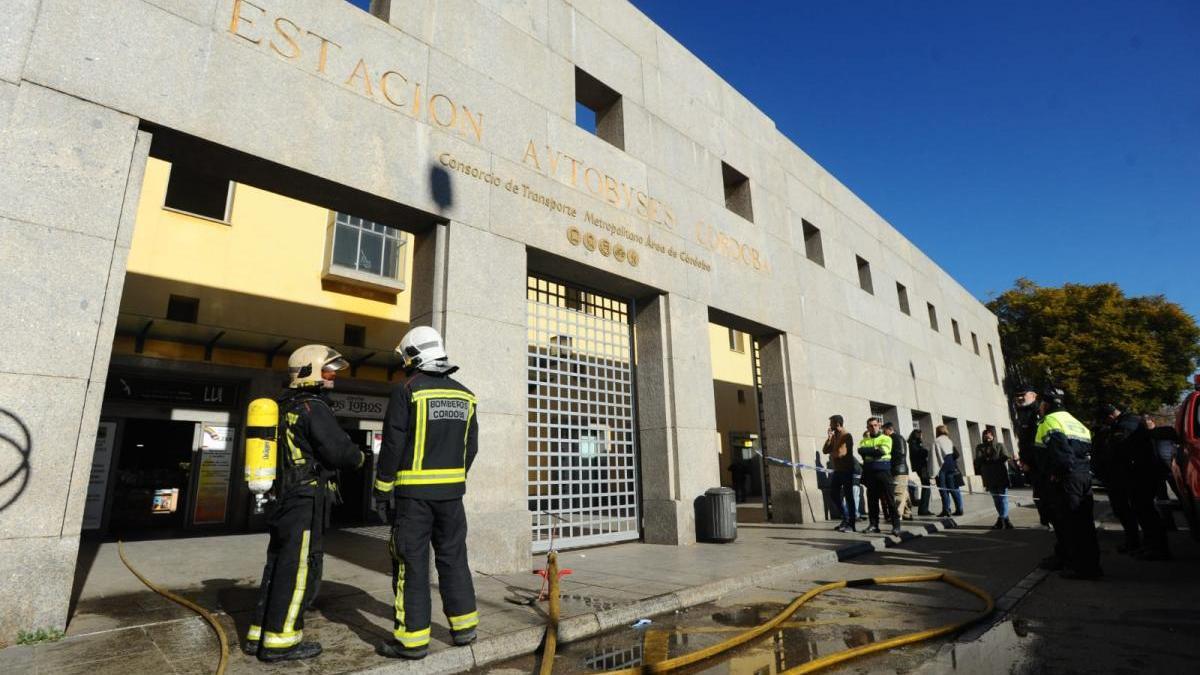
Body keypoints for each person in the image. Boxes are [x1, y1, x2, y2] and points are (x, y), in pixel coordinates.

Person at [246, 345, 366, 662]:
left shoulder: (284, 406)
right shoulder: (314, 408)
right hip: (303, 499)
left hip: (282, 497)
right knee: (297, 569)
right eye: (328, 372)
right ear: (310, 372)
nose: (333, 378)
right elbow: (340, 452)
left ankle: (259, 633)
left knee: (277, 563)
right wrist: (360, 456)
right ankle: (281, 642)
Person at [373, 326, 481, 659]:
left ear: (415, 355)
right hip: (452, 498)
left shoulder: (407, 390)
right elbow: (471, 448)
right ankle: (464, 629)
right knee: (453, 559)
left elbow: (393, 443)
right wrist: (452, 479)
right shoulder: (466, 395)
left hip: (414, 499)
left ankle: (412, 641)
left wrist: (382, 488)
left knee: (411, 564)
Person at [1035, 386, 1101, 579]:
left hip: (1066, 479)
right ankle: (1092, 566)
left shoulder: (1049, 421)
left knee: (1070, 525)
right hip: (1084, 476)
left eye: (1041, 404)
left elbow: (1061, 455)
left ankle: (1078, 567)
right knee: (1085, 524)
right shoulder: (1076, 422)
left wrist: (1057, 473)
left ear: (1046, 404)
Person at [859, 417, 901, 535]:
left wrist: (869, 451)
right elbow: (860, 451)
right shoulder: (864, 441)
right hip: (870, 473)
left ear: (879, 425)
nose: (873, 427)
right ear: (867, 428)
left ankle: (896, 525)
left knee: (890, 500)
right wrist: (873, 450)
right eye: (870, 426)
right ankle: (873, 525)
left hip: (884, 473)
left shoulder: (886, 438)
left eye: (875, 425)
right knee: (872, 501)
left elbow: (882, 452)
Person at [822, 415, 858, 532]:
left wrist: (834, 454)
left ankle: (851, 524)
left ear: (837, 423)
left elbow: (846, 453)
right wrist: (829, 438)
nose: (829, 426)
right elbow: (825, 450)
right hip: (838, 470)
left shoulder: (846, 435)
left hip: (846, 470)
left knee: (849, 497)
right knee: (833, 493)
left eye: (831, 423)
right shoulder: (835, 436)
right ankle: (845, 517)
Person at [975, 428, 1013, 529]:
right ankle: (1005, 520)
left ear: (993, 436)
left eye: (989, 434)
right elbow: (978, 460)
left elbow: (1005, 456)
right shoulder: (980, 447)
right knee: (996, 499)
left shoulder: (999, 445)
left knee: (1003, 498)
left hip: (1000, 474)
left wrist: (993, 459)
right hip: (989, 476)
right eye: (985, 435)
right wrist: (986, 458)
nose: (987, 436)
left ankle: (1001, 519)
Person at [883, 422, 912, 520]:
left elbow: (898, 455)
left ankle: (896, 514)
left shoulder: (893, 438)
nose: (883, 433)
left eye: (884, 430)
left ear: (889, 429)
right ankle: (907, 512)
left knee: (898, 493)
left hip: (898, 469)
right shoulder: (899, 438)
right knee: (904, 491)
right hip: (901, 468)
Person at [933, 425, 964, 517]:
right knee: (953, 489)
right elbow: (956, 454)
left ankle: (946, 510)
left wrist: (932, 471)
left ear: (937, 431)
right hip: (952, 467)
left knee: (943, 490)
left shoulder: (937, 441)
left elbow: (934, 457)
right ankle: (959, 509)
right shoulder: (949, 440)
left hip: (942, 467)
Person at [908, 429, 934, 515]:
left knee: (926, 487)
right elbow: (918, 453)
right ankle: (923, 509)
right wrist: (926, 450)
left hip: (921, 466)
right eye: (920, 434)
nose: (922, 436)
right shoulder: (913, 443)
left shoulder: (915, 442)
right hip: (921, 467)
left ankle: (923, 508)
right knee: (926, 487)